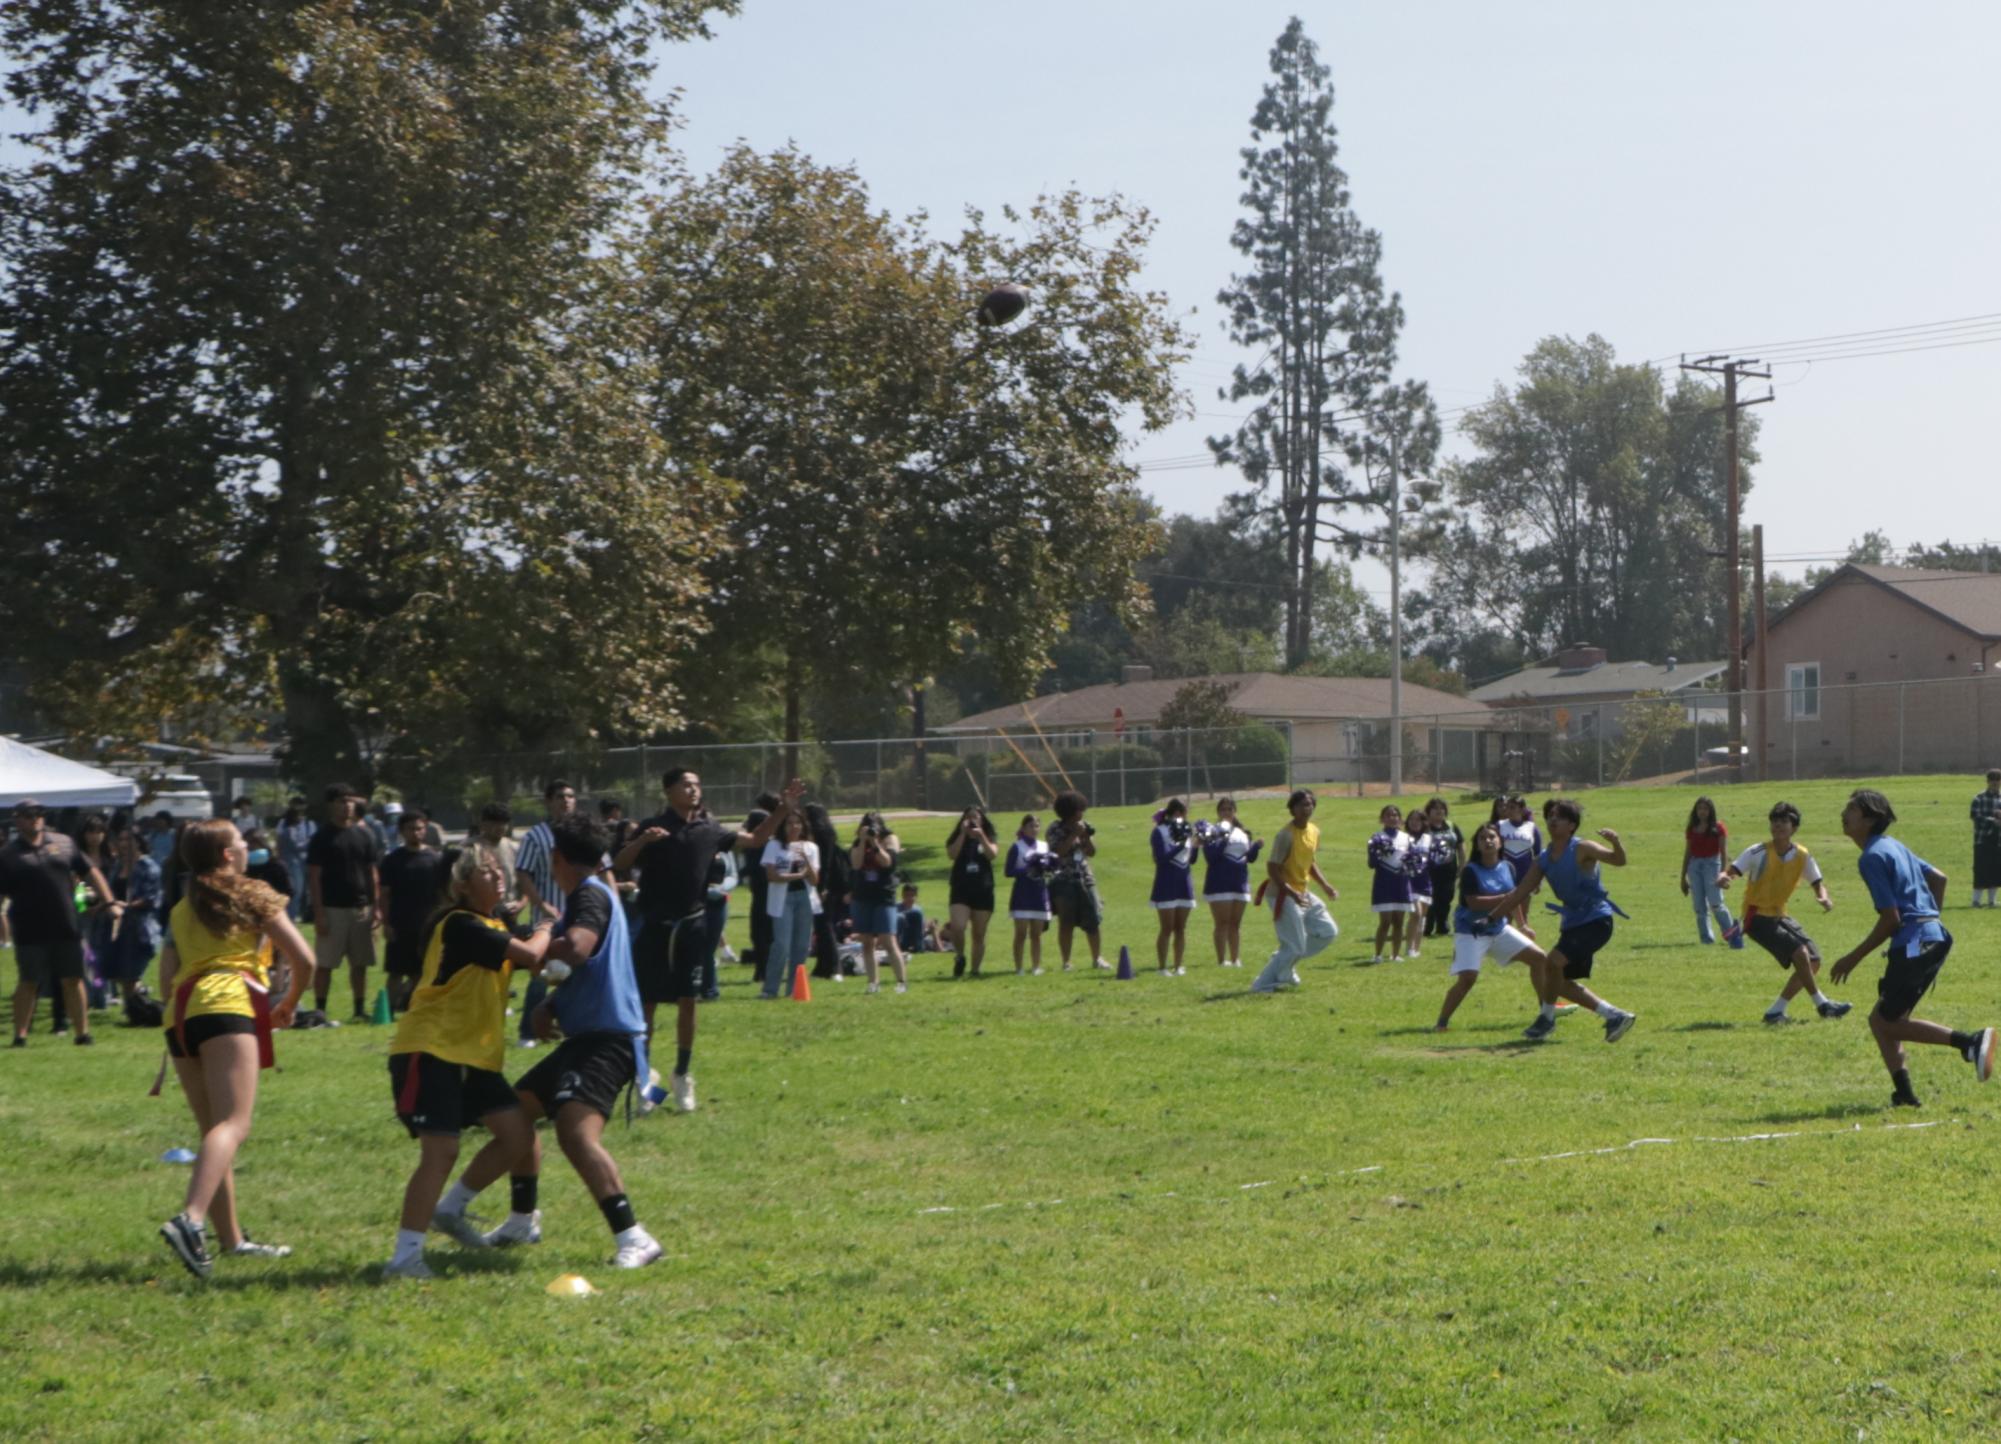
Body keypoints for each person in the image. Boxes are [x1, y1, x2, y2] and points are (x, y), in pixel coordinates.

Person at [463, 813, 666, 1268]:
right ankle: (520, 1219)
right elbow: (592, 967)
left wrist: (529, 947)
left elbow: (577, 949)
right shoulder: (594, 892)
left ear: (556, 858)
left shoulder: (589, 897)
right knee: (517, 1113)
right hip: (588, 1034)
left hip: (608, 1037)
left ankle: (635, 1238)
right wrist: (549, 1006)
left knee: (575, 1135)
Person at [382, 844, 557, 1278]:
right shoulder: (460, 924)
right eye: (486, 870)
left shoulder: (492, 924)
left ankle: (452, 1209)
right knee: (440, 1152)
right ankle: (405, 1258)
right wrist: (550, 926)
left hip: (473, 1056)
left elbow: (532, 963)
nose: (499, 876)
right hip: (432, 1048)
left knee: (518, 1136)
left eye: (499, 869)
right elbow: (533, 956)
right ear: (460, 885)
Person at [156, 818, 315, 1277]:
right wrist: (288, 1003)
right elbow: (304, 959)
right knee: (233, 1124)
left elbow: (167, 980)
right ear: (228, 855)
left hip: (182, 1014)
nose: (247, 846)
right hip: (228, 1003)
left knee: (213, 1132)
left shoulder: (182, 907)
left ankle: (233, 1241)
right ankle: (190, 1219)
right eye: (241, 841)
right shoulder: (252, 893)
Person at [615, 771, 798, 1109]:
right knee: (648, 1006)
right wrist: (642, 842)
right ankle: (644, 1079)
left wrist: (782, 810)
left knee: (688, 1000)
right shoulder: (653, 827)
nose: (694, 790)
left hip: (692, 928)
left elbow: (755, 840)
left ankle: (682, 1076)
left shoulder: (709, 829)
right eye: (686, 785)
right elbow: (619, 862)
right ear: (669, 791)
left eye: (698, 784)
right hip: (656, 927)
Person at [1829, 788, 1996, 1109]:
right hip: (1934, 937)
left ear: (1868, 818)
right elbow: (1940, 879)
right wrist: (1929, 918)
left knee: (1888, 1021)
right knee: (1882, 1020)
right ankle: (1904, 1094)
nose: (1844, 815)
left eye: (1850, 809)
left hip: (1914, 944)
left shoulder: (1872, 857)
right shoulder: (1894, 846)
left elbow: (1890, 919)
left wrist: (1853, 957)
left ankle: (1969, 1042)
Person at [1486, 798, 1637, 1044]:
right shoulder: (1544, 859)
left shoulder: (1583, 848)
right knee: (1559, 981)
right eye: (1550, 816)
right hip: (1573, 925)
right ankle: (1615, 1015)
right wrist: (1492, 917)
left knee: (1552, 962)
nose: (1552, 820)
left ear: (1572, 826)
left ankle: (1546, 1019)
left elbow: (1618, 860)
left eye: (1560, 817)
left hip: (1596, 921)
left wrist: (1616, 843)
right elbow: (1520, 892)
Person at [1722, 801, 1850, 1025]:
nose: (1778, 826)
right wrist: (1723, 878)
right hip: (1756, 917)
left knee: (1814, 961)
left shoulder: (1802, 855)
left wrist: (1823, 896)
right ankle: (1823, 1005)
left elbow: (1817, 881)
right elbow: (1731, 871)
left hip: (1779, 914)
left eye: (1783, 822)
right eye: (1774, 822)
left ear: (1794, 827)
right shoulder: (1758, 851)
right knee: (1800, 953)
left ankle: (1775, 1011)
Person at [2, 799, 113, 1046]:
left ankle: (82, 1034)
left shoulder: (64, 843)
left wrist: (109, 902)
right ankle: (20, 1036)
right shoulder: (8, 855)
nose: (36, 818)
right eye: (30, 814)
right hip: (29, 929)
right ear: (17, 819)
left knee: (73, 979)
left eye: (40, 813)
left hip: (66, 925)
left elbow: (90, 872)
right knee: (29, 981)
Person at [1434, 823, 1551, 1031]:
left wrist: (1523, 925)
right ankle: (1441, 1023)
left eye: (1492, 837)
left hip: (1498, 928)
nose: (1488, 841)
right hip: (1471, 931)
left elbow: (1513, 900)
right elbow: (1473, 902)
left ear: (1500, 842)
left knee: (1539, 958)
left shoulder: (1508, 867)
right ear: (1477, 845)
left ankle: (1546, 1013)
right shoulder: (1471, 870)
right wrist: (1506, 898)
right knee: (1468, 979)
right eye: (1482, 838)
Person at [305, 783, 382, 1022]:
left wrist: (376, 907)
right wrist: (319, 912)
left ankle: (359, 1009)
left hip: (361, 908)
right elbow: (314, 876)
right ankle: (320, 1010)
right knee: (326, 963)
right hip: (332, 907)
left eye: (350, 801)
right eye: (341, 801)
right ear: (331, 805)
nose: (347, 805)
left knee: (360, 963)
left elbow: (372, 872)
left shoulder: (364, 834)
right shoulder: (322, 837)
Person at [1250, 788, 1338, 994]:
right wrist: (1292, 894)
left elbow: (1310, 861)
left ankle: (1284, 963)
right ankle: (1261, 985)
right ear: (1293, 810)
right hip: (1282, 894)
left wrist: (1325, 885)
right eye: (1301, 805)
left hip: (1302, 892)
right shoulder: (1285, 835)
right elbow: (1272, 868)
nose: (1306, 808)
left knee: (1328, 932)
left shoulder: (1314, 831)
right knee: (1294, 947)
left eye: (1309, 804)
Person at [512, 780, 578, 1048]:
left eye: (571, 796)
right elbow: (523, 874)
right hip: (546, 918)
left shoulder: (580, 834)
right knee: (541, 975)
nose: (566, 801)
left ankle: (569, 1027)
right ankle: (527, 1032)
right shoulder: (535, 836)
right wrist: (541, 904)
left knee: (575, 973)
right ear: (549, 802)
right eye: (560, 797)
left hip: (577, 914)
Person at [380, 808, 448, 1012]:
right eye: (411, 829)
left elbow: (442, 894)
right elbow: (384, 894)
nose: (416, 833)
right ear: (401, 831)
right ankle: (390, 1008)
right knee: (395, 971)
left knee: (423, 970)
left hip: (427, 924)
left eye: (419, 828)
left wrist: (443, 921)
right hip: (400, 922)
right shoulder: (393, 859)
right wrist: (386, 923)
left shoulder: (435, 858)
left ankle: (417, 1005)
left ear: (425, 829)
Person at [759, 809, 820, 999]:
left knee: (801, 946)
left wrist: (806, 862)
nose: (794, 827)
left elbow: (814, 880)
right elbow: (771, 876)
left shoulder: (810, 847)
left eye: (797, 823)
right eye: (789, 823)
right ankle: (770, 990)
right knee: (782, 944)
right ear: (782, 827)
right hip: (783, 899)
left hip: (805, 898)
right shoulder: (774, 846)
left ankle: (793, 989)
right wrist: (798, 875)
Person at [105, 824, 165, 1017]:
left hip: (141, 927)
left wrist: (128, 905)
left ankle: (133, 1007)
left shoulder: (148, 866)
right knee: (121, 971)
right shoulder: (117, 866)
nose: (124, 844)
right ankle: (133, 1004)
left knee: (132, 972)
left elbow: (152, 897)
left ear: (138, 842)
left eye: (129, 839)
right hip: (118, 925)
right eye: (121, 839)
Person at [1046, 791, 1109, 971]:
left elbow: (1092, 852)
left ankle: (1097, 959)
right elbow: (1056, 852)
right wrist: (1073, 834)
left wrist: (1086, 837)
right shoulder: (1055, 829)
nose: (1082, 813)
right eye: (1079, 810)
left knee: (1093, 920)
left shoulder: (1084, 826)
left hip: (1085, 877)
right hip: (1063, 879)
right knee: (1066, 922)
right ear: (1070, 811)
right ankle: (1066, 962)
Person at [848, 811, 907, 994]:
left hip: (883, 896)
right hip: (863, 896)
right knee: (867, 941)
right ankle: (873, 983)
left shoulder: (890, 839)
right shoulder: (858, 842)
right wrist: (863, 841)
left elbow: (888, 863)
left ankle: (901, 982)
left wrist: (874, 843)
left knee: (888, 939)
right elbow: (856, 864)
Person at [1200, 796, 1261, 968]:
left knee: (1235, 924)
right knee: (1222, 923)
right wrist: (1224, 838)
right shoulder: (1210, 830)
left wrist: (1255, 847)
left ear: (1235, 812)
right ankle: (1221, 960)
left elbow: (1248, 858)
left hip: (1239, 883)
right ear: (1218, 813)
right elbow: (1210, 857)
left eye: (1229, 809)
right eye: (1223, 810)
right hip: (1219, 883)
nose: (1226, 813)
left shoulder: (1241, 832)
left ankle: (1235, 959)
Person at [944, 807, 998, 978]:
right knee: (958, 926)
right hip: (961, 888)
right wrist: (963, 833)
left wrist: (981, 836)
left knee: (978, 934)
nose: (972, 820)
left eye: (976, 817)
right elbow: (952, 855)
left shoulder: (988, 836)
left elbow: (992, 855)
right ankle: (960, 956)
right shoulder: (958, 836)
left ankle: (975, 970)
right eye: (968, 817)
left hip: (983, 889)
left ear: (982, 820)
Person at [1681, 796, 1742, 947]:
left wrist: (1723, 874)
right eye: (1700, 808)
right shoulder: (1691, 828)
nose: (1702, 812)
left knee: (1716, 902)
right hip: (1694, 866)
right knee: (1699, 906)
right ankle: (1706, 939)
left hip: (1712, 864)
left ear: (1711, 811)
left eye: (1705, 809)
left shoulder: (1718, 828)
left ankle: (1731, 934)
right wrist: (1683, 877)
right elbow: (1687, 852)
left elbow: (1723, 852)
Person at [1149, 799, 1197, 975]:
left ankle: (1178, 965)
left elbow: (1191, 859)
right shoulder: (1159, 832)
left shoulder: (1186, 831)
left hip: (1184, 883)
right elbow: (1160, 859)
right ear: (1171, 814)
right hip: (1166, 884)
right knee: (1166, 928)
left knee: (1180, 928)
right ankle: (1162, 967)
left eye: (1184, 814)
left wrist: (1196, 845)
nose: (1182, 817)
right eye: (1179, 813)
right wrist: (1180, 846)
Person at [741, 791, 781, 980]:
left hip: (761, 891)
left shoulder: (754, 847)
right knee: (767, 931)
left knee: (760, 931)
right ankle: (765, 969)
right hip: (769, 891)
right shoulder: (770, 844)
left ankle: (762, 970)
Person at [1005, 814, 1052, 975]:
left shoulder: (1044, 846)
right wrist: (1026, 870)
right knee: (1020, 933)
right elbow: (1008, 871)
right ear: (1023, 828)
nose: (1034, 829)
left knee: (1036, 934)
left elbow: (1049, 867)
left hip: (1038, 893)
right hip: (1022, 894)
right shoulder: (1017, 847)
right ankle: (1019, 967)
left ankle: (1036, 966)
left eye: (1036, 826)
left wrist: (1046, 868)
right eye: (1030, 826)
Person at [1367, 805, 1414, 965]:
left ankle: (1395, 955)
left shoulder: (1407, 838)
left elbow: (1413, 861)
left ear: (1400, 819)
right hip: (1384, 882)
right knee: (1385, 921)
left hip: (1401, 882)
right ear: (1382, 819)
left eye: (1395, 815)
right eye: (1388, 815)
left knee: (1399, 921)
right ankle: (1378, 954)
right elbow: (1371, 864)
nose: (1392, 818)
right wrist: (1378, 852)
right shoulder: (1376, 837)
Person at [1496, 795, 1541, 938]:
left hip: (1526, 873)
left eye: (1512, 807)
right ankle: (1506, 941)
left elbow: (1538, 854)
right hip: (1505, 873)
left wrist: (1538, 879)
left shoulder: (1531, 827)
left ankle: (1524, 943)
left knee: (1524, 911)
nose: (1508, 810)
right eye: (1507, 807)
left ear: (1522, 810)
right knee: (1507, 910)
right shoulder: (1500, 825)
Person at [1422, 799, 1462, 939]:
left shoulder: (1451, 826)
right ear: (1428, 812)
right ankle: (1428, 925)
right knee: (1430, 898)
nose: (1439, 811)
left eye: (1442, 808)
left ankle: (1442, 924)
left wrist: (1462, 865)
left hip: (1449, 869)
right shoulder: (1425, 828)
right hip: (1429, 870)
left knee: (1446, 897)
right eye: (1435, 808)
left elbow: (1460, 845)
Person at [275, 797, 316, 922]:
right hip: (292, 863)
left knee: (303, 891)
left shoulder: (309, 824)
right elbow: (293, 844)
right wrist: (309, 842)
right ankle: (290, 917)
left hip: (304, 862)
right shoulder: (287, 826)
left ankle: (297, 915)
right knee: (295, 891)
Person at [1403, 808, 1434, 961]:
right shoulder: (1404, 838)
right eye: (1412, 820)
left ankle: (1417, 948)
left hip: (1425, 881)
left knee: (1422, 917)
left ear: (1424, 822)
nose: (1415, 823)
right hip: (1409, 881)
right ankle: (1409, 948)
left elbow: (1434, 859)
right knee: (1416, 913)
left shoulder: (1429, 839)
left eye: (1418, 820)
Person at [1971, 770, 2001, 908]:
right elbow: (1975, 816)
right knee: (1981, 870)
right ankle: (1976, 901)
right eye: (1992, 780)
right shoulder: (1979, 798)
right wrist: (1992, 821)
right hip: (1982, 840)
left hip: (1998, 841)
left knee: (1995, 870)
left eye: (1998, 780)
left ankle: (1992, 901)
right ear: (1988, 781)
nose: (1995, 782)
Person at [894, 883, 939, 956]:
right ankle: (919, 947)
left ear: (916, 896)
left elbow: (920, 928)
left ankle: (920, 947)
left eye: (912, 895)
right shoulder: (896, 907)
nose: (910, 898)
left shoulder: (918, 909)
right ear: (902, 895)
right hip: (901, 936)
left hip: (915, 936)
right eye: (907, 895)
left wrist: (928, 926)